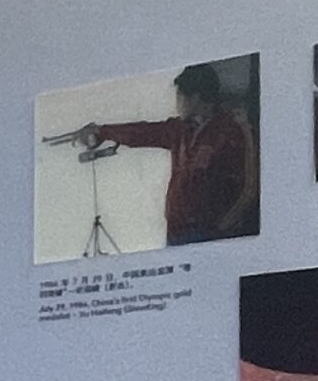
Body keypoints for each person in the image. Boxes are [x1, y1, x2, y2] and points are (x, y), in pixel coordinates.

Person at [79, 63, 260, 246]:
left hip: (212, 237)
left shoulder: (231, 131)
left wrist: (222, 229)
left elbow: (250, 187)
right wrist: (102, 132)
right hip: (178, 233)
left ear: (195, 98)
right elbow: (141, 133)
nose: (177, 103)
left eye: (179, 96)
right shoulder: (179, 130)